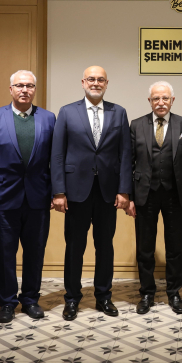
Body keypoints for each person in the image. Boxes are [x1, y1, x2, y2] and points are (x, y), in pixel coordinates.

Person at [51, 66, 132, 320]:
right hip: (75, 192)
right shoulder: (67, 112)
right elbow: (57, 154)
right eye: (91, 79)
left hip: (108, 192)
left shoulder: (119, 112)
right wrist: (59, 191)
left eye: (100, 80)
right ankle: (72, 298)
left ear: (106, 84)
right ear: (83, 82)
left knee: (105, 246)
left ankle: (103, 296)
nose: (95, 83)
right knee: (74, 247)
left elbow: (125, 154)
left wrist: (124, 190)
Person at [0, 70, 56, 323]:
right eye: (20, 85)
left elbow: (55, 159)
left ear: (35, 90)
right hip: (2, 198)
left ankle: (30, 299)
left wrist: (56, 192)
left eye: (29, 85)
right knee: (4, 254)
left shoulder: (49, 118)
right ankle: (7, 302)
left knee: (35, 252)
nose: (25, 90)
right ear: (11, 89)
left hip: (38, 198)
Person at [128, 81, 182, 315]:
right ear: (149, 101)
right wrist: (129, 197)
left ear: (172, 100)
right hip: (144, 195)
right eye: (156, 99)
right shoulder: (136, 125)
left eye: (165, 98)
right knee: (145, 249)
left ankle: (174, 293)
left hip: (175, 195)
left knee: (175, 248)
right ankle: (147, 293)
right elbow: (128, 162)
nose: (161, 103)